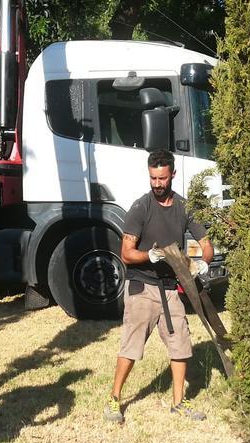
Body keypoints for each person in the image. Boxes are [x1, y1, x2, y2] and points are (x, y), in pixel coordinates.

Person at [105, 149, 214, 424]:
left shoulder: (183, 207)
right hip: (142, 286)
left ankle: (178, 403)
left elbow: (207, 244)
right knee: (131, 345)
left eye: (162, 178)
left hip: (169, 288)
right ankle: (114, 400)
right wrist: (149, 256)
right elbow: (126, 253)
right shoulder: (141, 208)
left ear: (173, 175)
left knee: (181, 344)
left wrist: (203, 262)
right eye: (153, 178)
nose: (157, 184)